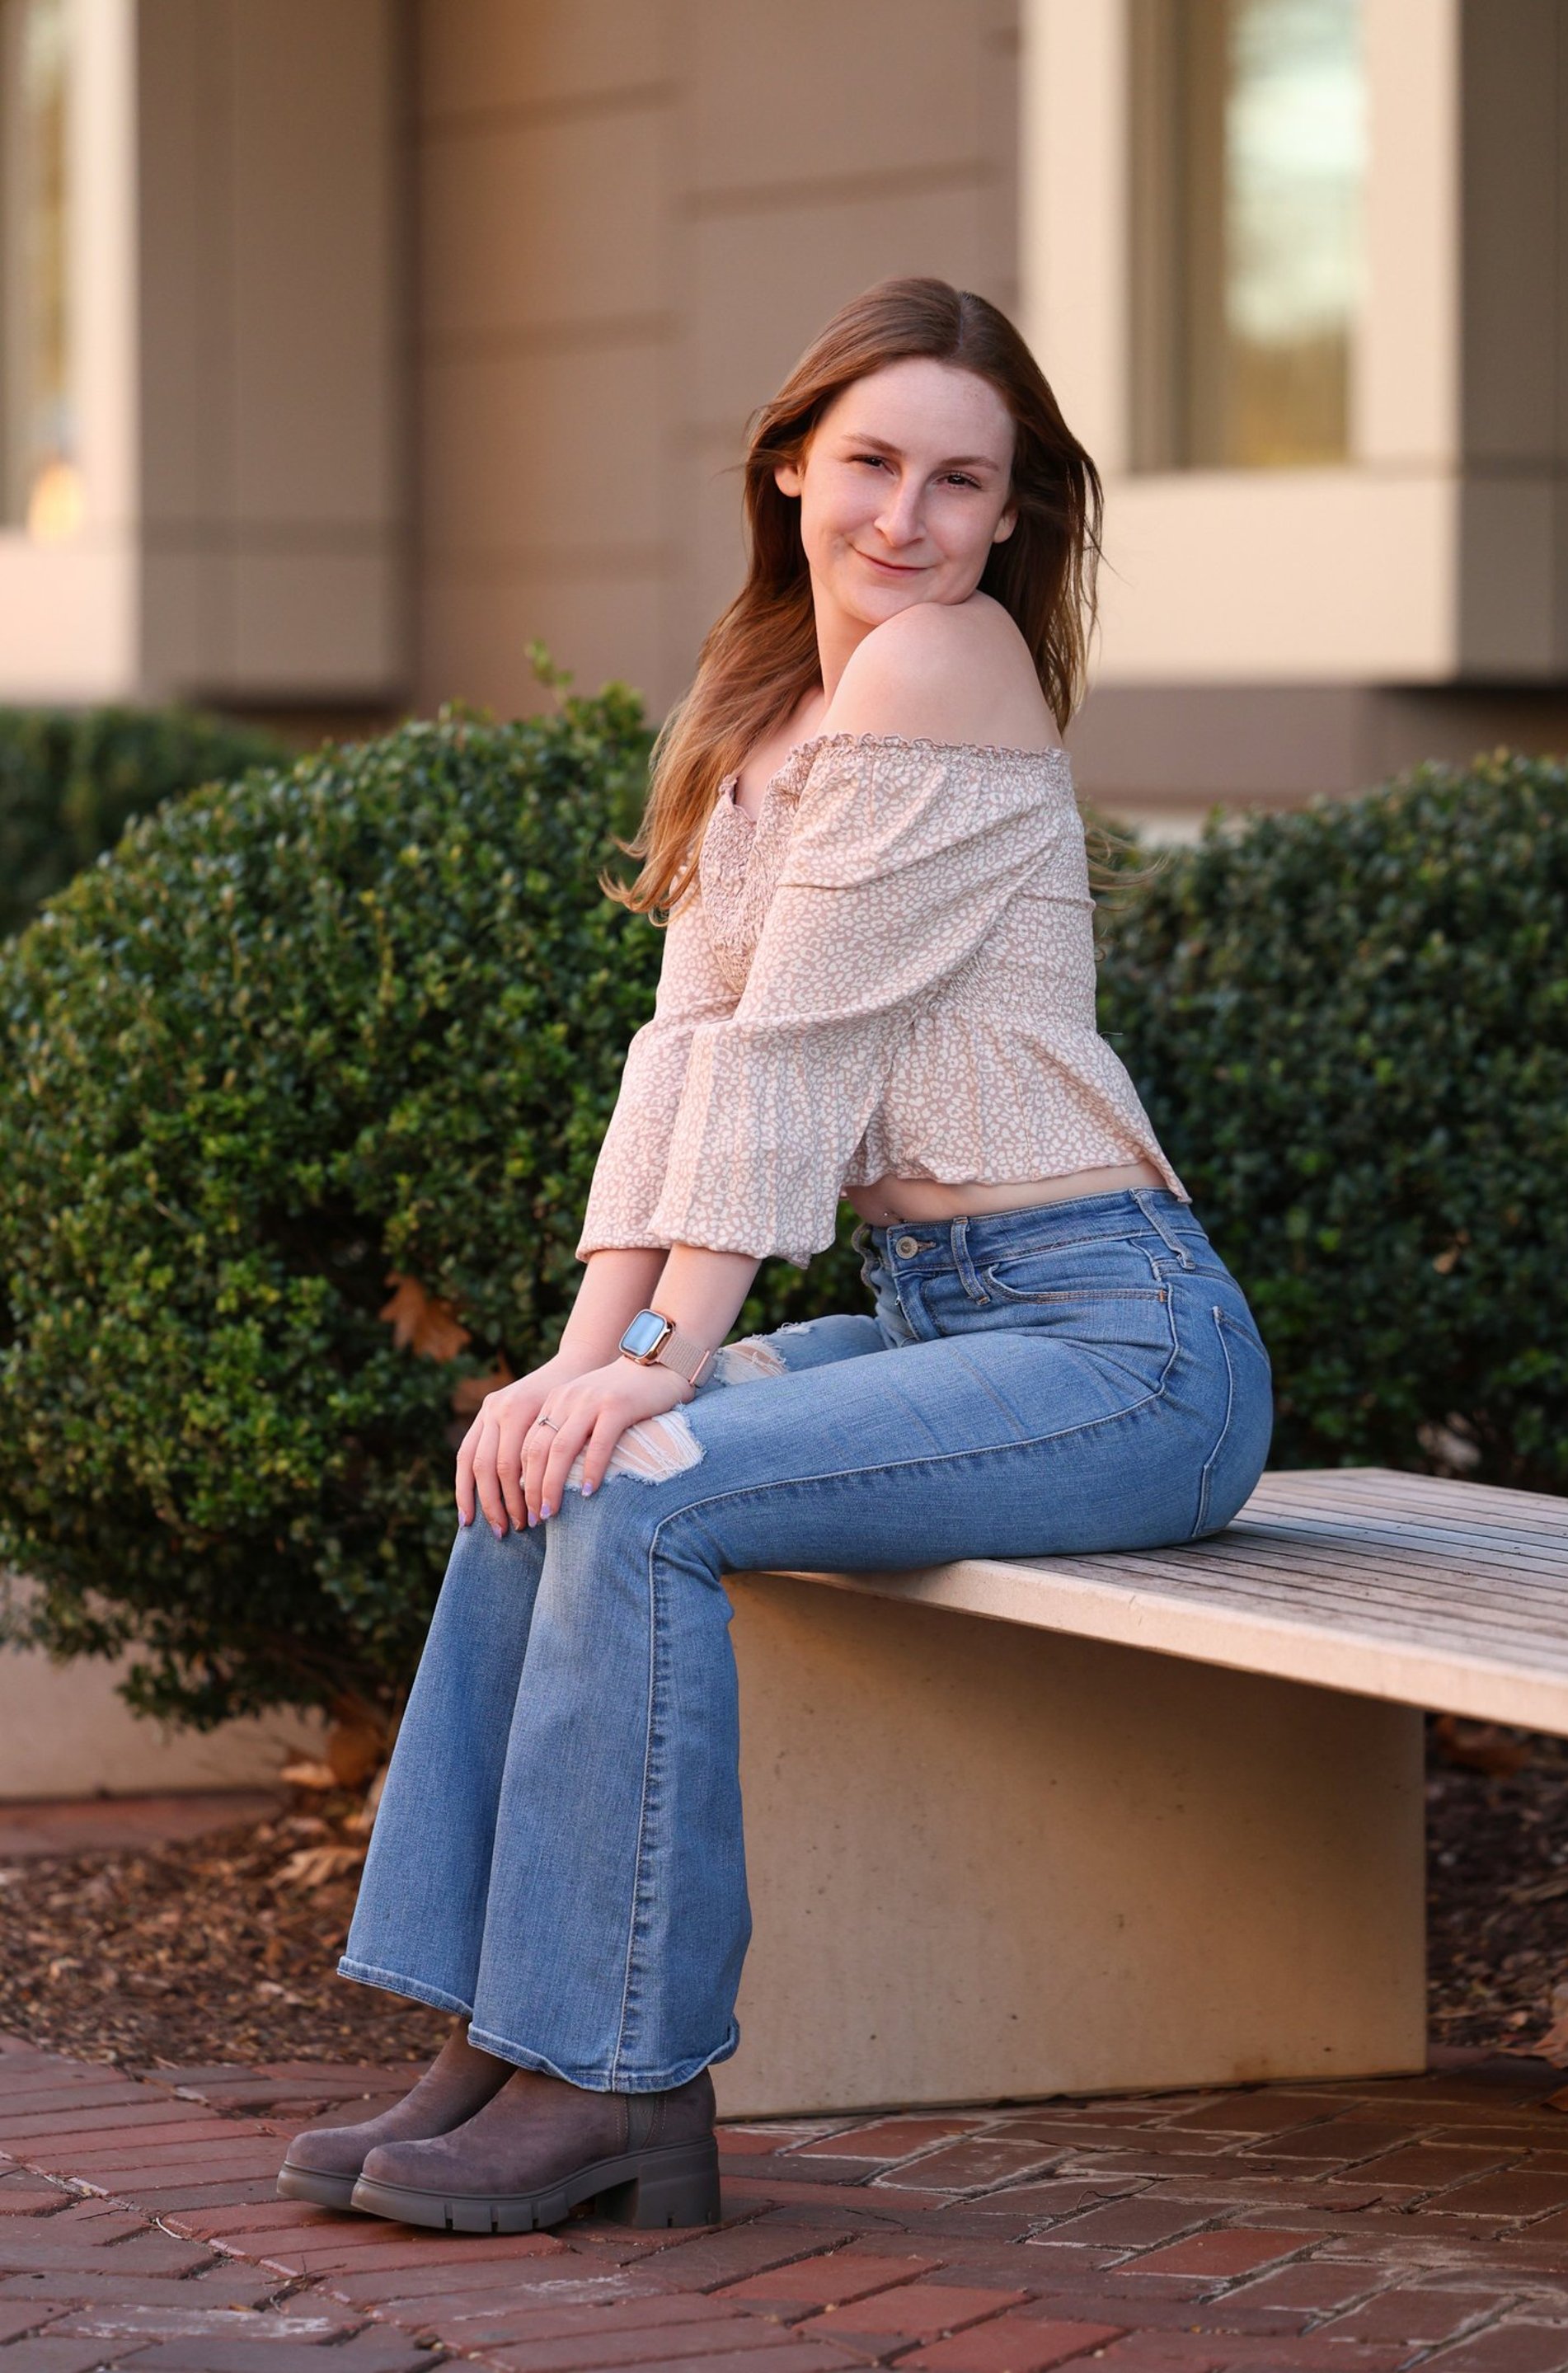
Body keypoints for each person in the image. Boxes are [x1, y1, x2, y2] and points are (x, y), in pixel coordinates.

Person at [277, 276, 1274, 2235]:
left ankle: (615, 2079)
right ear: (792, 465)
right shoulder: (764, 706)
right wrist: (581, 1356)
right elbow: (692, 1066)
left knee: (636, 1476)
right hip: (960, 1325)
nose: (907, 515)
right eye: (874, 462)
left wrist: (658, 1365)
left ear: (1012, 518)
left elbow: (799, 1065)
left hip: (1125, 1343)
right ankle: (498, 2029)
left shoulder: (945, 666)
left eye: (961, 480)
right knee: (548, 1467)